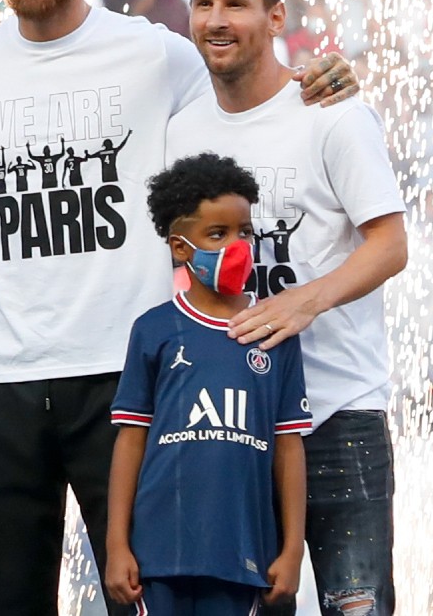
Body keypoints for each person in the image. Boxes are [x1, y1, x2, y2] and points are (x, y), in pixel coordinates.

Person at [0, 0, 353, 616]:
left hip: (130, 376)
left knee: (145, 596)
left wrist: (319, 82)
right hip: (3, 376)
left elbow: (247, 98)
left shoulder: (155, 55)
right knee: (8, 602)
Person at [165, 0, 409, 616]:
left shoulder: (332, 112)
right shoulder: (181, 130)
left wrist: (306, 299)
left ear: (275, 17)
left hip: (338, 415)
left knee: (356, 608)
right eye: (204, 4)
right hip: (231, 421)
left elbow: (390, 245)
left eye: (236, 4)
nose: (217, 19)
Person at [104, 152, 308, 616]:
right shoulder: (154, 329)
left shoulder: (274, 331)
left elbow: (289, 446)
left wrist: (291, 547)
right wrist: (117, 544)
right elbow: (132, 438)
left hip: (242, 556)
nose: (237, 246)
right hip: (159, 556)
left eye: (244, 232)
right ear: (180, 247)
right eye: (217, 234)